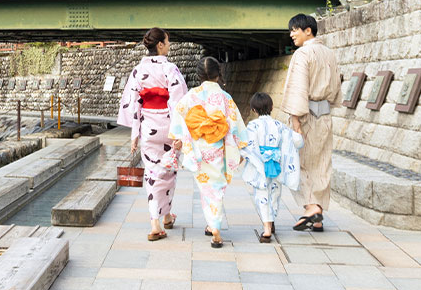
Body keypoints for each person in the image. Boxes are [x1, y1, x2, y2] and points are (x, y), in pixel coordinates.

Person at [169, 56, 248, 248]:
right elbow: (236, 125)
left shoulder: (191, 96)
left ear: (198, 75)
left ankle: (212, 225)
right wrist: (241, 146)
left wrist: (180, 139)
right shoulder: (225, 97)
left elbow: (179, 116)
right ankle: (215, 227)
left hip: (198, 149)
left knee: (206, 189)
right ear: (217, 74)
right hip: (218, 148)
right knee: (217, 189)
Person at [117, 28, 188, 241]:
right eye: (167, 41)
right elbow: (178, 102)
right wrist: (179, 133)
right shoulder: (170, 69)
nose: (169, 45)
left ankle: (157, 221)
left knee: (152, 173)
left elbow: (134, 104)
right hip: (168, 126)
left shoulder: (138, 70)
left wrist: (134, 134)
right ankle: (164, 217)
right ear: (160, 45)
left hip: (148, 127)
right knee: (169, 170)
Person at [282, 13, 341, 232]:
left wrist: (296, 120)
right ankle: (318, 217)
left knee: (301, 162)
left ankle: (311, 207)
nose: (291, 34)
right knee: (322, 163)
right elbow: (336, 88)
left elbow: (298, 87)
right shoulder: (329, 54)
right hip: (325, 114)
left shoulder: (303, 54)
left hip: (306, 115)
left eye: (295, 29)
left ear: (308, 30)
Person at [242, 92, 304, 242]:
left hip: (261, 166)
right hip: (275, 165)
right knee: (274, 195)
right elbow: (297, 141)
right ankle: (271, 221)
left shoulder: (253, 126)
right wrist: (298, 132)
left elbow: (247, 147)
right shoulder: (279, 125)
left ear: (254, 110)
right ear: (271, 107)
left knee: (262, 196)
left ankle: (267, 228)